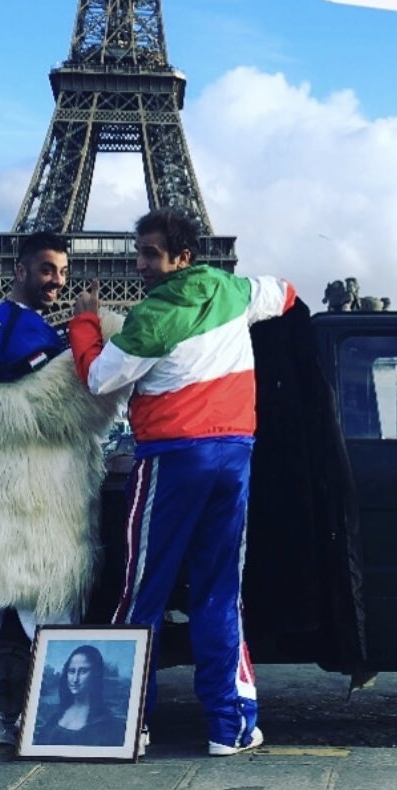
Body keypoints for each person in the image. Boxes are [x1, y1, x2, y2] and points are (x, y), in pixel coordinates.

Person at [68, 207, 296, 758]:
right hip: (234, 456)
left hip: (173, 458)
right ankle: (229, 725)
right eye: (139, 253)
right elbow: (286, 294)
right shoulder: (234, 290)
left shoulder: (152, 316)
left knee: (142, 592)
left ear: (181, 257)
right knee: (220, 594)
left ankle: (128, 723)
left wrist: (87, 322)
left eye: (150, 254)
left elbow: (98, 378)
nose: (140, 264)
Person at [0, 231, 127, 746]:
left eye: (63, 271)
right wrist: (93, 329)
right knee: (44, 598)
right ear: (18, 270)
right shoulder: (22, 327)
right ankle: (61, 719)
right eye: (47, 270)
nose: (58, 281)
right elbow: (72, 394)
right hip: (30, 493)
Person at [35, 645, 126, 747]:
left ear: (95, 674)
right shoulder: (57, 714)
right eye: (71, 671)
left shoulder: (106, 723)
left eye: (83, 671)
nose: (75, 679)